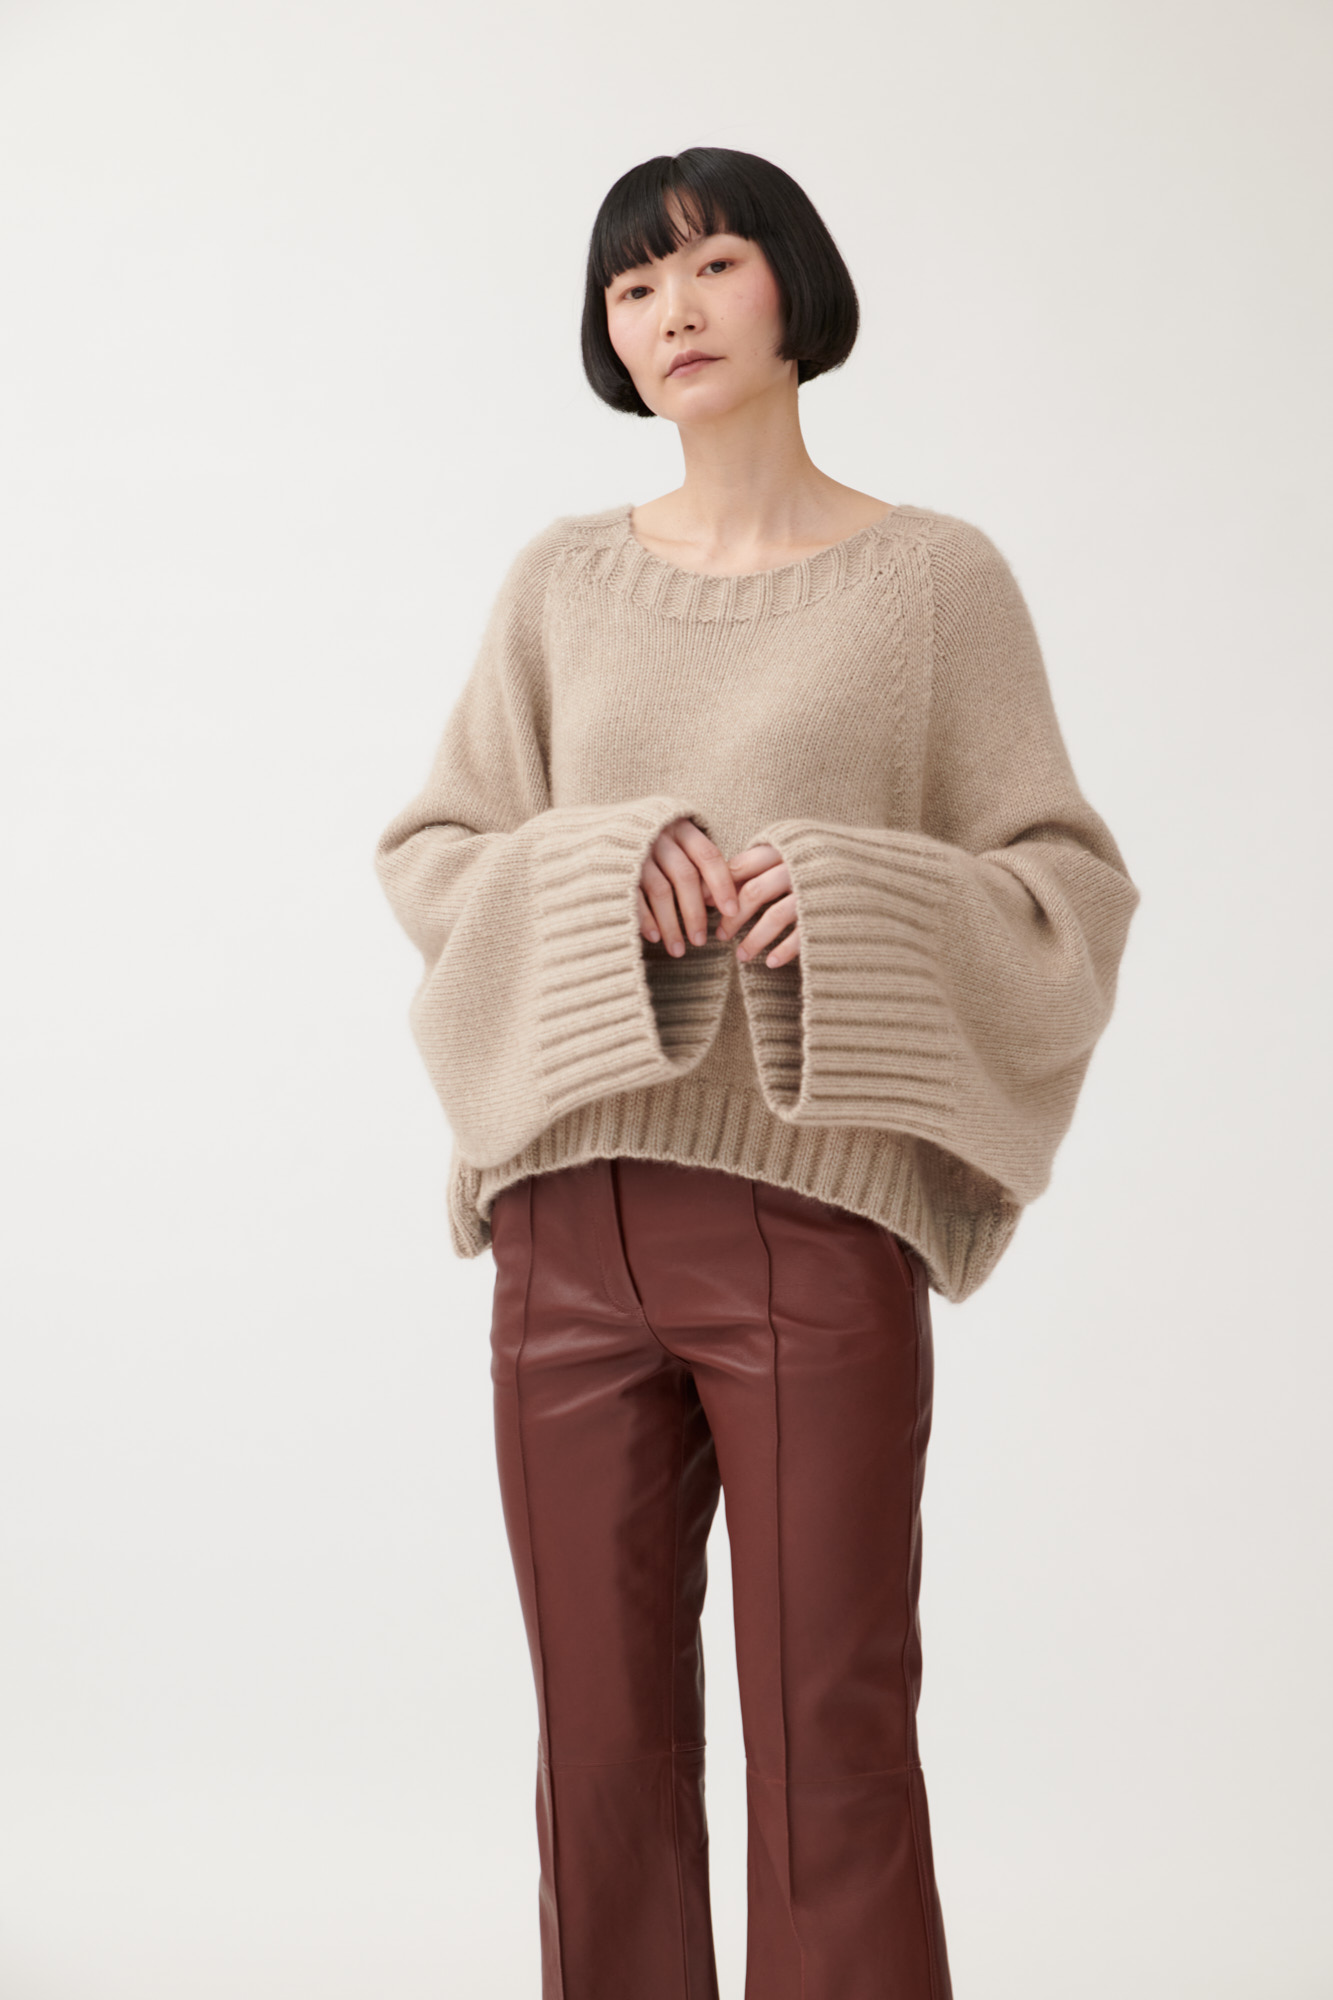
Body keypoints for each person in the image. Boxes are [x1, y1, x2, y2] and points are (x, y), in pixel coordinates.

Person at [374, 146, 1140, 2000]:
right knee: (599, 1767)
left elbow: (1066, 892)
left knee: (830, 1760)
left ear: (792, 285)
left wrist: (852, 892)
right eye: (633, 285)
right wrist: (599, 867)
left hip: (809, 1229)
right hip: (563, 1235)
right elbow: (436, 854)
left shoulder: (930, 584)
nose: (675, 310)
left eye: (712, 262)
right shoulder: (559, 584)